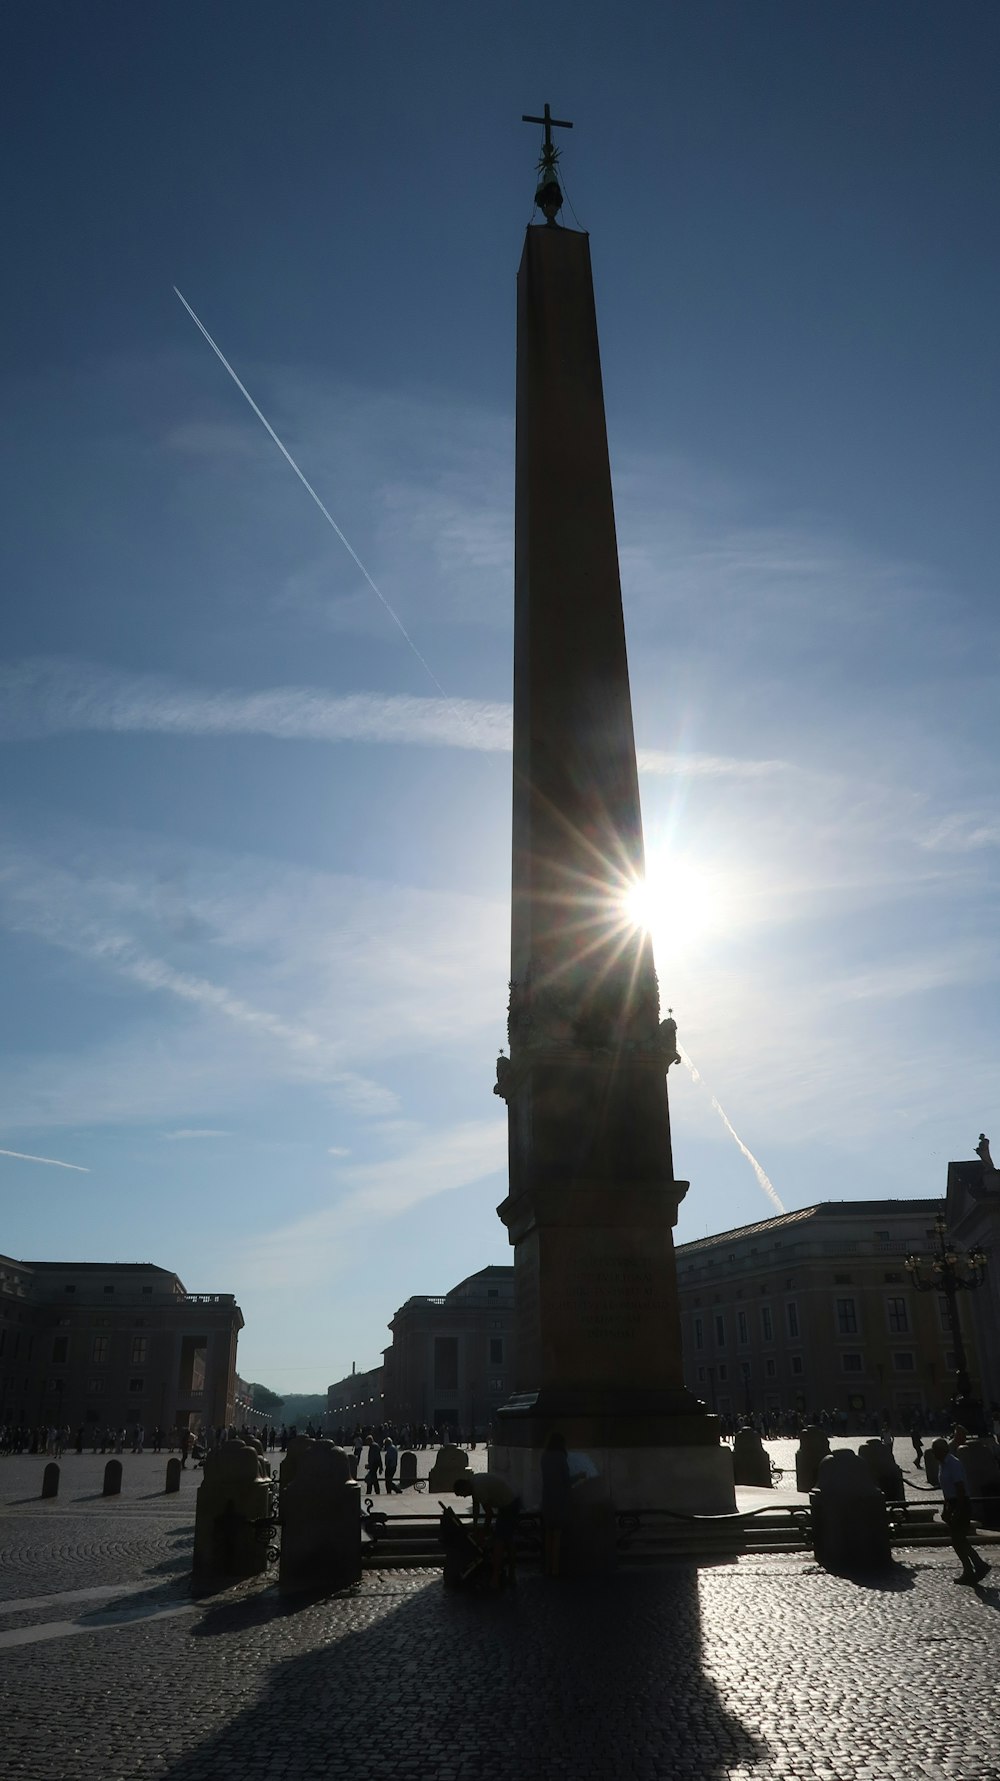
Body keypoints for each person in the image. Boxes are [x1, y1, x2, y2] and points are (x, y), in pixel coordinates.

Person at [931, 1437, 991, 1585]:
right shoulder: (943, 1464)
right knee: (958, 1540)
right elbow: (947, 1489)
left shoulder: (953, 1464)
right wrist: (946, 1508)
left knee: (958, 1539)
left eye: (935, 1450)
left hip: (961, 1503)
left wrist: (957, 1509)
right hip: (952, 1503)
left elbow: (959, 1487)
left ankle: (975, 1567)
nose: (933, 1453)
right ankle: (973, 1568)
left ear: (941, 1450)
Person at [453, 1471, 520, 1589]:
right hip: (510, 1501)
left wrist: (483, 1534)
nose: (463, 1497)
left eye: (462, 1494)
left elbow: (489, 1514)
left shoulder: (478, 1489)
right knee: (508, 1540)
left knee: (499, 1541)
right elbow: (476, 1507)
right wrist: (475, 1528)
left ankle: (495, 1579)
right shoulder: (473, 1481)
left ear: (464, 1488)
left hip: (508, 1506)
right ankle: (511, 1574)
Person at [540, 1431, 577, 1578]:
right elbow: (566, 1480)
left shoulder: (544, 1456)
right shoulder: (561, 1457)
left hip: (547, 1498)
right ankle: (555, 1568)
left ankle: (547, 1567)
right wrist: (579, 1476)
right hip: (559, 1499)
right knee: (557, 1535)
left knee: (548, 1535)